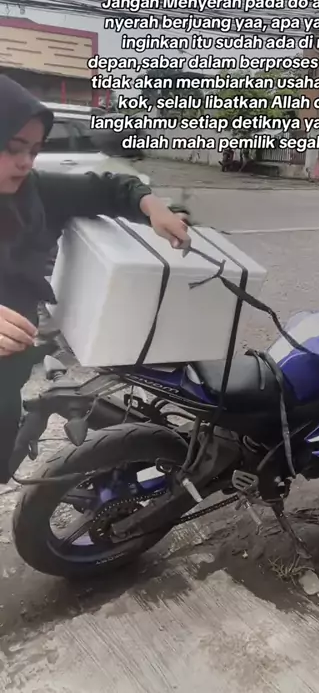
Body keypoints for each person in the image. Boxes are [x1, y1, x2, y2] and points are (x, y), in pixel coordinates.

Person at [0, 74, 190, 482]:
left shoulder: (33, 192)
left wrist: (152, 206)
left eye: (34, 150)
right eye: (13, 148)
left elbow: (107, 187)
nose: (25, 162)